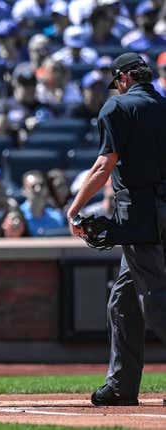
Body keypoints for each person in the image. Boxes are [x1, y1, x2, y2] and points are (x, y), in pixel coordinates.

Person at [67, 52, 166, 406]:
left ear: (123, 78)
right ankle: (122, 385)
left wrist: (75, 207)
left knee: (154, 298)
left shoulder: (117, 108)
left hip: (141, 213)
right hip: (160, 210)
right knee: (123, 300)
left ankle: (122, 384)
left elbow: (103, 165)